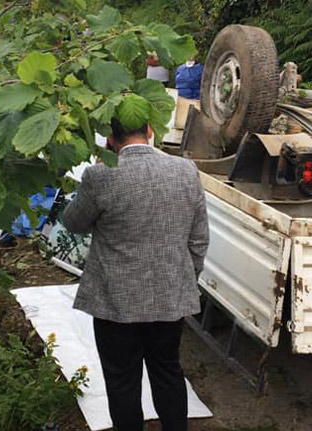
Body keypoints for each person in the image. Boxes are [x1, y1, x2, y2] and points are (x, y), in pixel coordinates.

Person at [61, 118, 209, 431]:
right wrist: (184, 280)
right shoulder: (186, 171)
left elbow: (73, 222)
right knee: (168, 370)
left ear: (109, 139)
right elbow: (198, 241)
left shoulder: (100, 175)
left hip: (116, 301)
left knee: (122, 379)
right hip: (169, 296)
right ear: (150, 131)